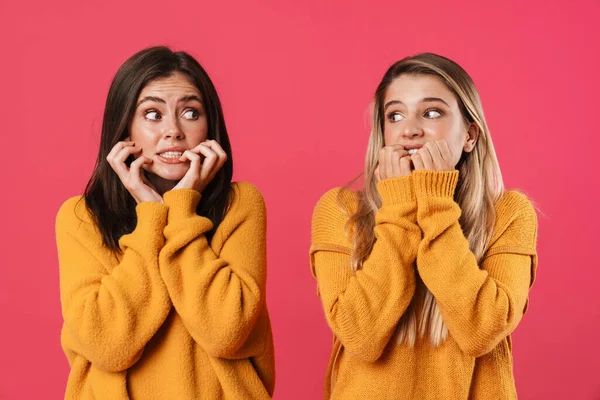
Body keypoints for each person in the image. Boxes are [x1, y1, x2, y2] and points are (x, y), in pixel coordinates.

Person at [309, 53, 538, 399]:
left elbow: (481, 330)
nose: (409, 129)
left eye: (432, 113)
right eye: (395, 115)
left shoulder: (509, 214)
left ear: (470, 136)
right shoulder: (340, 211)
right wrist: (399, 208)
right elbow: (360, 335)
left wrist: (435, 203)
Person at [56, 46, 274, 399]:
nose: (173, 130)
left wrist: (182, 209)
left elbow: (226, 331)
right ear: (124, 126)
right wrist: (151, 217)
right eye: (153, 114)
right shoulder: (82, 218)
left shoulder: (240, 205)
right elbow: (107, 345)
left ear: (209, 127)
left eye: (190, 112)